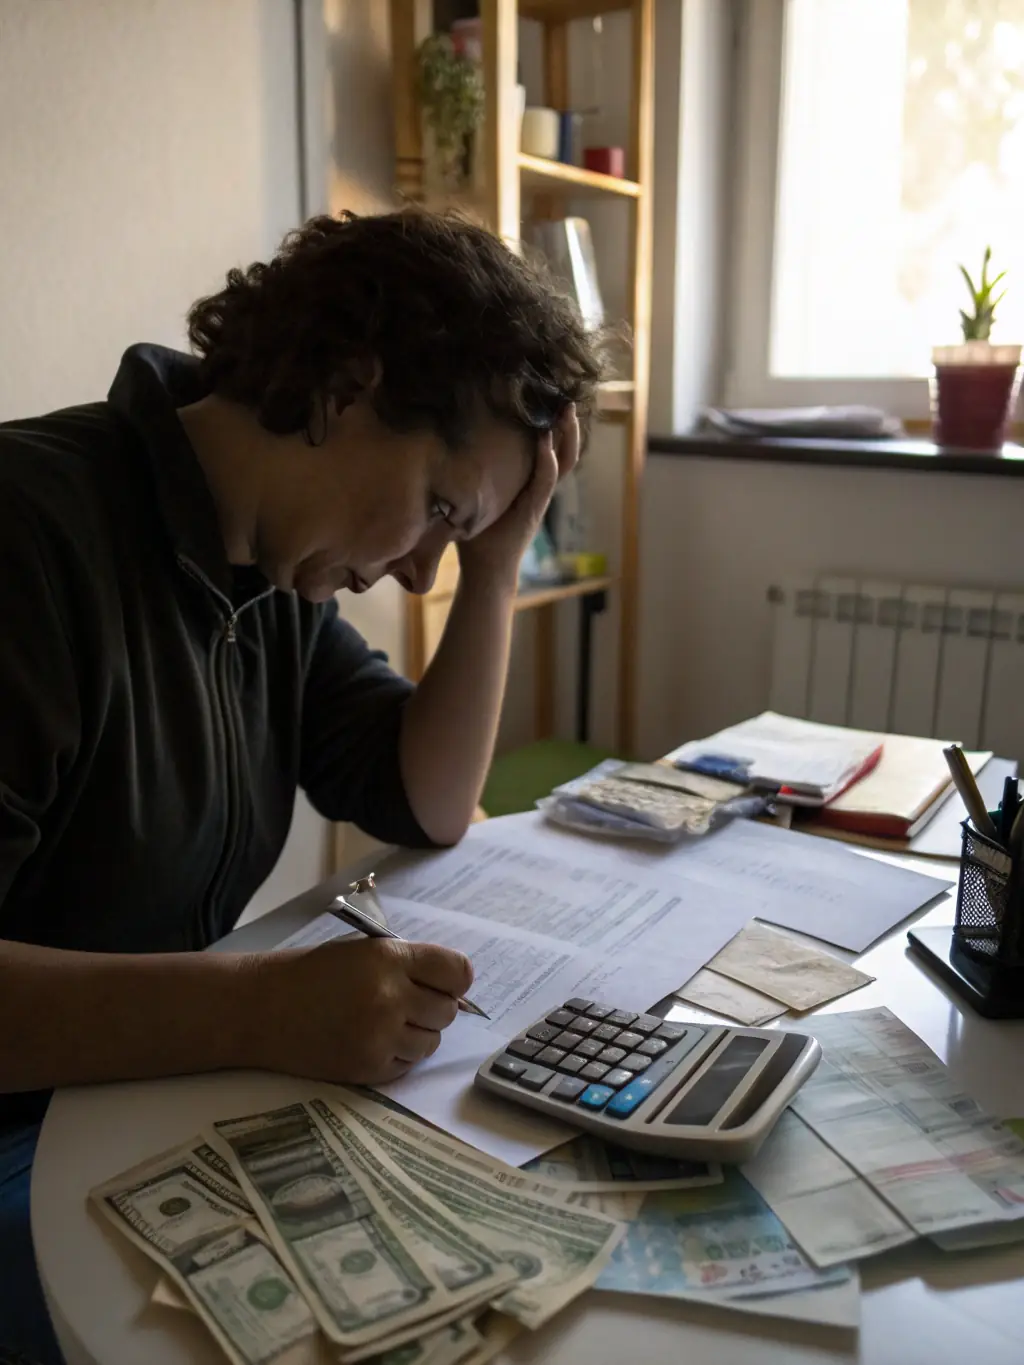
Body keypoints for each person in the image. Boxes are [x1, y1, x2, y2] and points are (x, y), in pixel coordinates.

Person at [0, 207, 604, 1362]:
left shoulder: (270, 581)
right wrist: (259, 1005)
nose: (420, 567)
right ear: (344, 386)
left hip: (134, 1107)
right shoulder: (27, 537)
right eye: (436, 505)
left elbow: (426, 798)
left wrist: (491, 569)